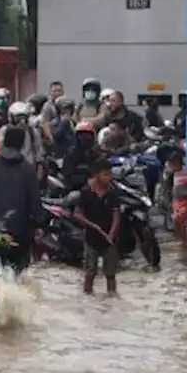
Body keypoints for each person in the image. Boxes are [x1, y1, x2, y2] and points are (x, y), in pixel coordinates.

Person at [0, 124, 41, 273]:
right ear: (21, 144)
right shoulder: (28, 168)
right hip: (20, 229)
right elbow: (35, 200)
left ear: (4, 141)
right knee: (18, 274)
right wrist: (39, 224)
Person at [74, 159, 121, 296]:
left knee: (111, 274)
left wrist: (112, 233)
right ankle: (88, 300)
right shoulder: (86, 192)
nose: (109, 178)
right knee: (90, 273)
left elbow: (116, 215)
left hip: (109, 240)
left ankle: (112, 299)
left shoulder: (113, 193)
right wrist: (92, 225)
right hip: (91, 239)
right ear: (96, 175)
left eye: (110, 174)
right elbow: (77, 214)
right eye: (105, 174)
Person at [0, 102, 44, 177]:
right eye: (18, 117)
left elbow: (38, 152)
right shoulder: (5, 130)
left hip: (29, 169)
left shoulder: (32, 131)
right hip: (10, 169)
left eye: (24, 117)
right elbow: (1, 147)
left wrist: (39, 171)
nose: (22, 120)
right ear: (11, 117)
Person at [63, 120, 103, 190]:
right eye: (82, 135)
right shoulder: (71, 153)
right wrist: (86, 180)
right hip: (76, 188)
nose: (85, 137)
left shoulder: (95, 152)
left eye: (88, 135)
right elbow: (68, 176)